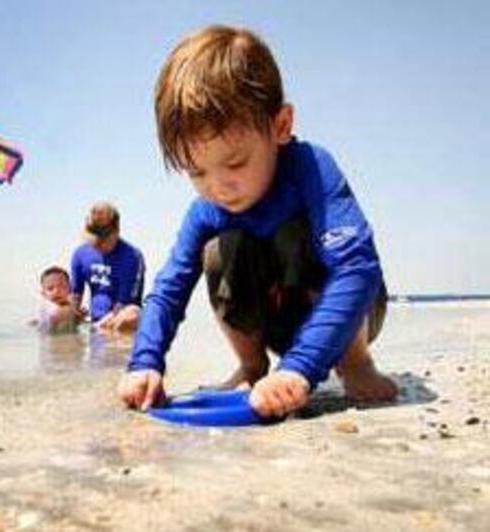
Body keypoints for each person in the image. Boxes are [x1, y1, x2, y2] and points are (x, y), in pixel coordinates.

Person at [117, 25, 398, 418]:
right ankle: (253, 366)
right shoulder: (206, 210)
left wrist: (299, 368)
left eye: (235, 163)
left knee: (296, 235)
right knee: (216, 251)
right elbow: (168, 290)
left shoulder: (312, 170)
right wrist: (144, 362)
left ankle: (355, 364)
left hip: (354, 315)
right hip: (278, 319)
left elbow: (357, 268)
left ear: (281, 126)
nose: (218, 187)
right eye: (196, 172)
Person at [71, 202, 146, 333]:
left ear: (116, 232)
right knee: (57, 313)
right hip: (94, 321)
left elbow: (125, 302)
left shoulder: (132, 256)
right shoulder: (80, 254)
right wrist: (71, 314)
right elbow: (75, 294)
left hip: (121, 316)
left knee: (131, 314)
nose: (97, 245)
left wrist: (101, 326)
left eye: (102, 241)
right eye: (93, 240)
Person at [37, 266, 79, 335]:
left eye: (62, 287)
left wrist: (78, 318)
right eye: (50, 289)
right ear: (43, 294)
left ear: (70, 290)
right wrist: (73, 310)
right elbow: (57, 314)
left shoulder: (67, 305)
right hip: (52, 339)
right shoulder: (50, 307)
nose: (56, 291)